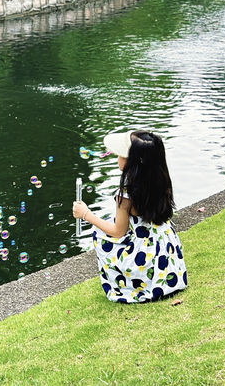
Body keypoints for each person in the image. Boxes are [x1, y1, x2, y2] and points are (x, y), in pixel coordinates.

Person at [72, 129, 188, 303]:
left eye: (120, 155)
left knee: (100, 234)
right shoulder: (160, 180)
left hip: (144, 259)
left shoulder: (126, 195)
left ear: (131, 162)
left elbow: (118, 231)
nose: (117, 158)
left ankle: (129, 285)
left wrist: (86, 214)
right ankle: (161, 282)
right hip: (166, 253)